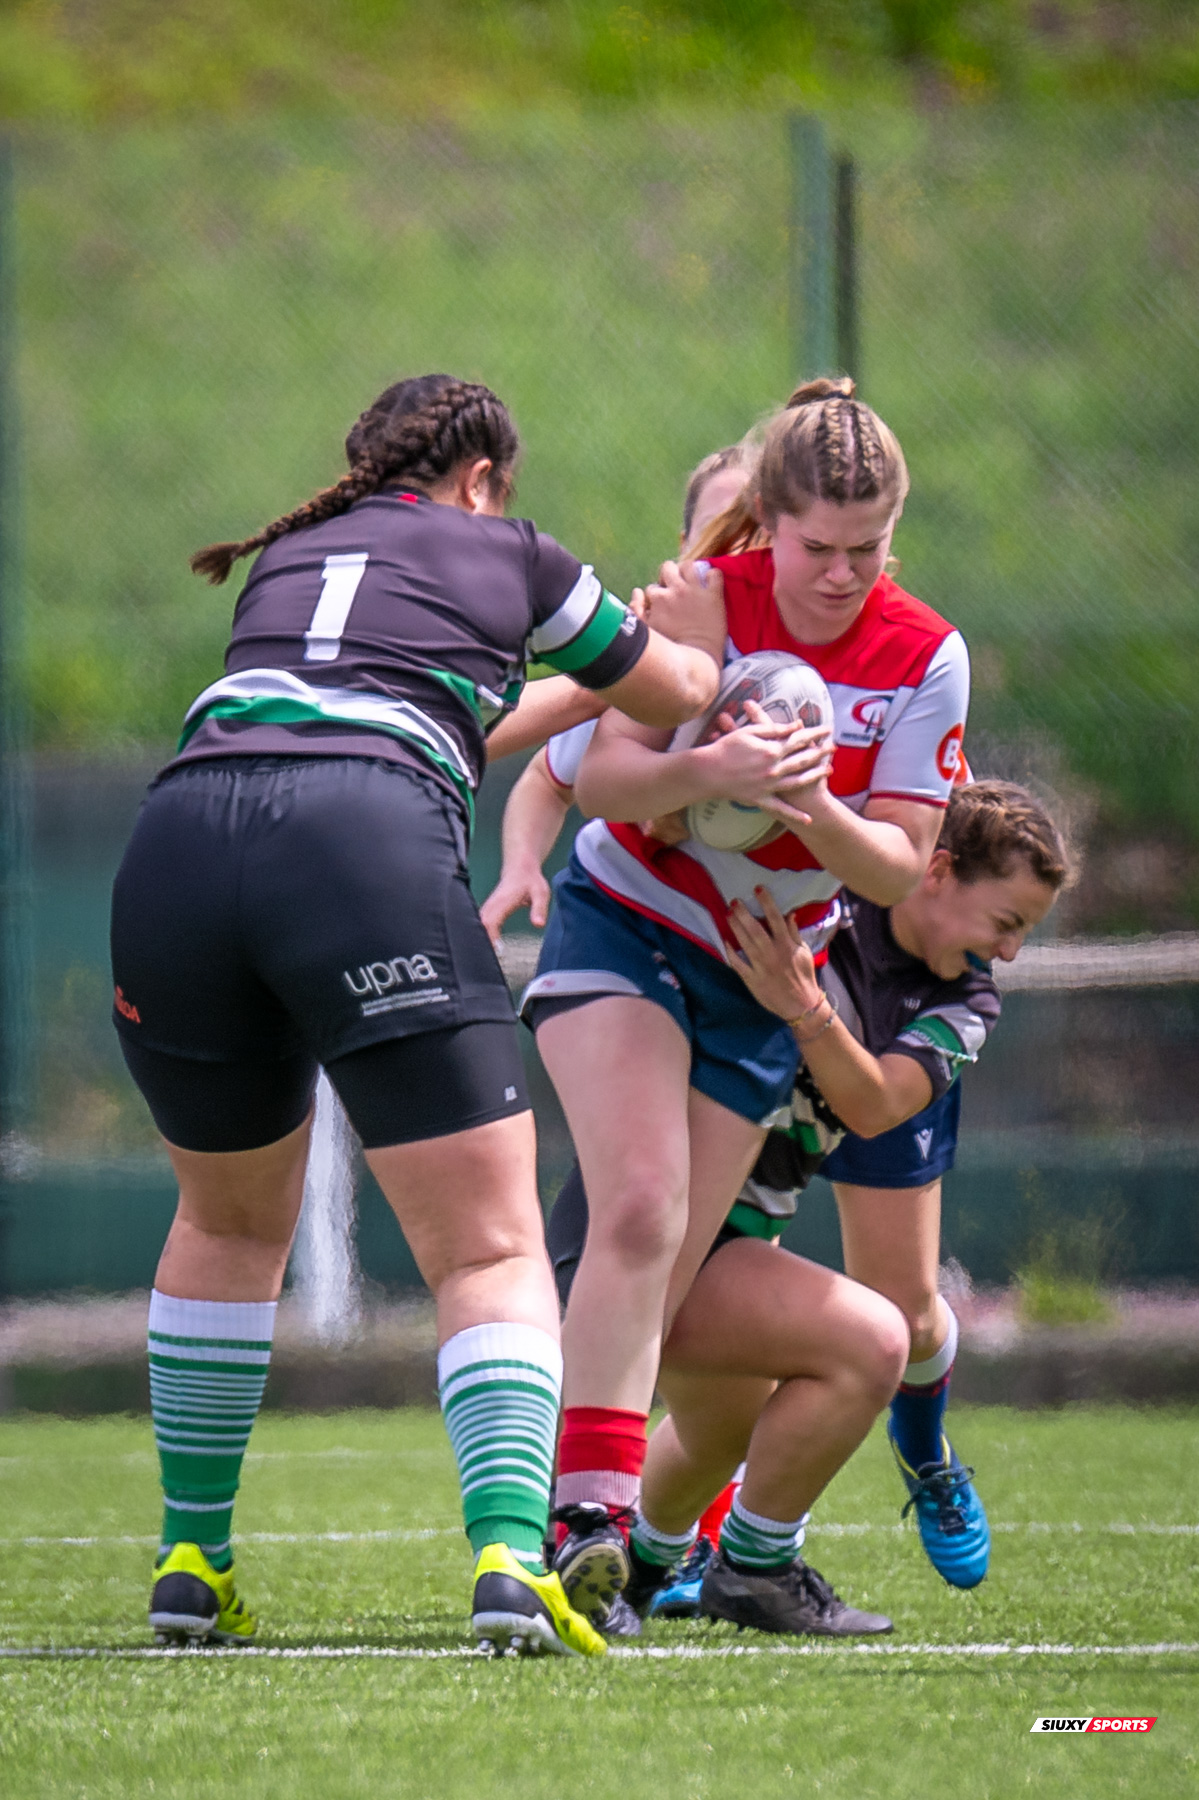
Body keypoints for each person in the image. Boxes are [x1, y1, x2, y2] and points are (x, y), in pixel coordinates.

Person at [109, 373, 724, 1659]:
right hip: (358, 843)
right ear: (484, 478)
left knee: (222, 1228)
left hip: (178, 845)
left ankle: (190, 1559)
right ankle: (509, 1557)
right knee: (489, 1248)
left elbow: (462, 719)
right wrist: (692, 629)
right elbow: (668, 691)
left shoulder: (292, 554)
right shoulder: (508, 547)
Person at [519, 377, 971, 1622]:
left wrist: (809, 799)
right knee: (645, 1205)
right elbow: (596, 773)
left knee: (670, 1282)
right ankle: (579, 1530)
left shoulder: (924, 652)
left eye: (865, 549)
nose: (838, 573)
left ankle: (640, 1541)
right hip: (628, 924)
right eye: (815, 547)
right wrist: (709, 764)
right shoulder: (705, 601)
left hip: (757, 973)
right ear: (767, 520)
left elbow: (893, 863)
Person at [546, 779, 1071, 1633]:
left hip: (726, 1246)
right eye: (1004, 922)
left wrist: (804, 1008)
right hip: (637, 1237)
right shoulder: (817, 893)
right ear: (935, 872)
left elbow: (873, 1107)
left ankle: (629, 1569)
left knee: (723, 1427)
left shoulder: (962, 1002)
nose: (1006, 952)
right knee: (871, 1342)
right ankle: (751, 1566)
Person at [480, 437, 756, 944]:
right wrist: (520, 866)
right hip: (636, 924)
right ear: (684, 546)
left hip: (762, 947)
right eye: (720, 536)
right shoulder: (655, 655)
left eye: (755, 537)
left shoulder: (810, 668)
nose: (736, 554)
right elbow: (548, 779)